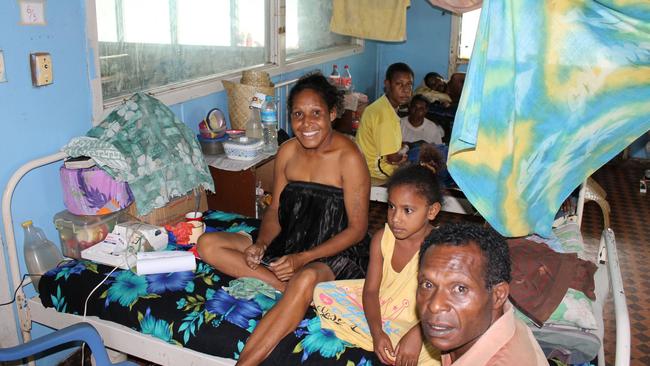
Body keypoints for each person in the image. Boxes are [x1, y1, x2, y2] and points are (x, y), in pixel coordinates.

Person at [196, 72, 371, 365]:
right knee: (207, 243)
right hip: (291, 239)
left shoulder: (349, 158)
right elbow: (276, 210)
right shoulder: (287, 151)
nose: (306, 123)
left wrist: (303, 259)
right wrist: (262, 243)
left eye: (316, 113)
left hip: (335, 252)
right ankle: (287, 289)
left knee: (305, 277)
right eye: (298, 114)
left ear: (332, 113)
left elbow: (357, 229)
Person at [313, 164, 443, 366]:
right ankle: (377, 339)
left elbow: (444, 304)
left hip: (418, 321)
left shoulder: (442, 249)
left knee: (436, 352)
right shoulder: (382, 238)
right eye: (391, 207)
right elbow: (371, 291)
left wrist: (418, 333)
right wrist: (377, 333)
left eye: (407, 210)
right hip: (381, 310)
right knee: (323, 293)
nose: (395, 218)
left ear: (432, 211)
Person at [416, 223, 548, 366]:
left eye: (460, 289)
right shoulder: (499, 321)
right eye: (427, 285)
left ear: (498, 295)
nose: (435, 305)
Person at [356, 62, 414, 179]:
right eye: (399, 84)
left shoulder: (383, 104)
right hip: (376, 173)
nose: (406, 90)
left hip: (367, 165)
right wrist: (406, 150)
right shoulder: (384, 116)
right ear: (387, 84)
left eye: (409, 84)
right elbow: (392, 158)